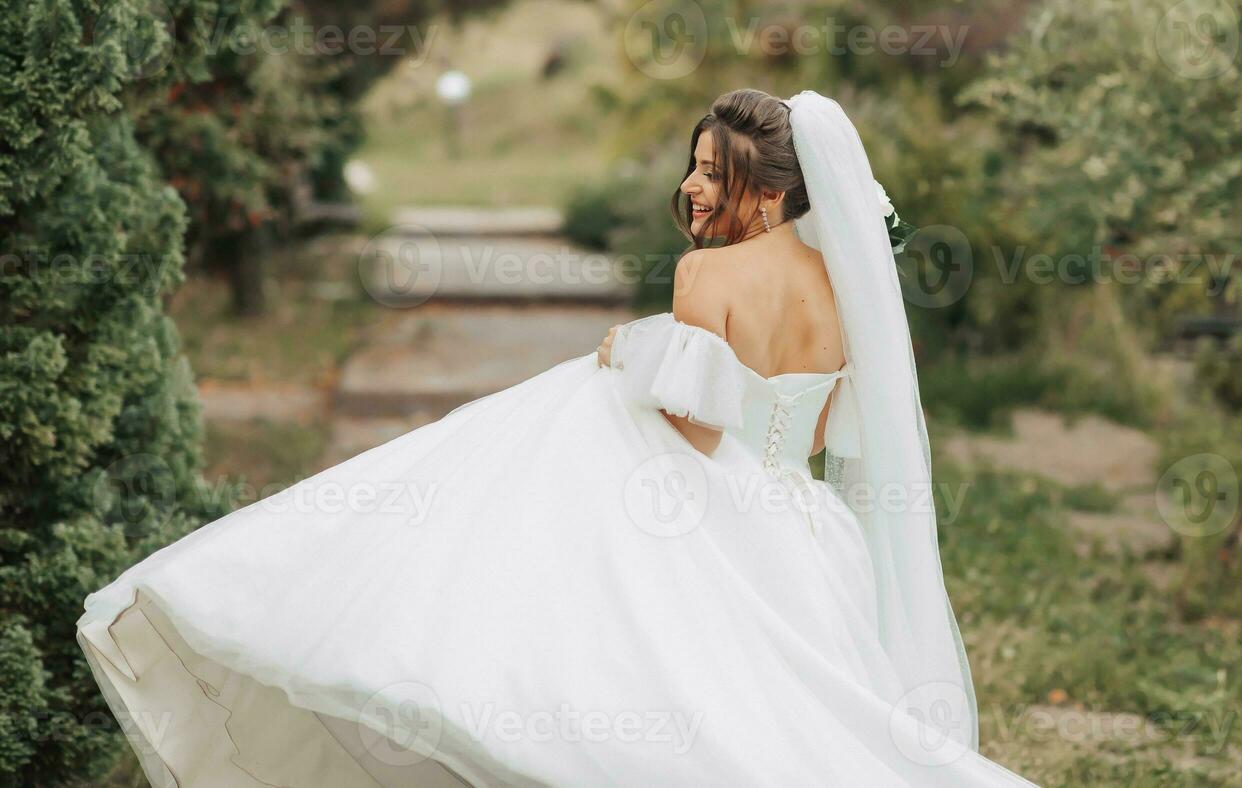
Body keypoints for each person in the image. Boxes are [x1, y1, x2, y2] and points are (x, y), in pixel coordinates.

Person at [77, 89, 1039, 787]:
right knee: (793, 719)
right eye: (697, 163)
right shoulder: (849, 296)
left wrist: (633, 358)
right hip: (805, 534)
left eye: (718, 172)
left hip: (717, 518)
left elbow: (697, 436)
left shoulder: (708, 281)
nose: (694, 186)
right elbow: (824, 433)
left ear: (775, 195)